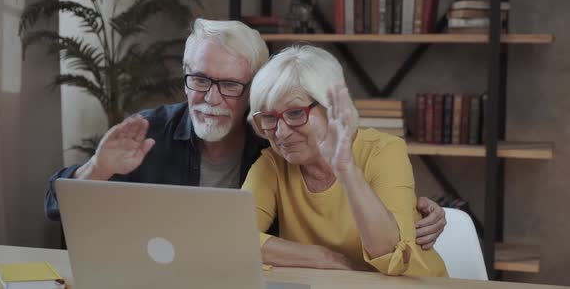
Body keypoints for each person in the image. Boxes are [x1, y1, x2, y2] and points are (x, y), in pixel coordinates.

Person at [44, 19, 446, 251]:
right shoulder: (149, 132)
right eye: (199, 79)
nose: (210, 98)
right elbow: (55, 205)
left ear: (255, 87)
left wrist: (413, 215)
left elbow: (352, 209)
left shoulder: (275, 142)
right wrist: (98, 169)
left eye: (230, 85)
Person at [242, 45, 448, 276]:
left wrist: (347, 170)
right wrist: (322, 257)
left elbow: (391, 253)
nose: (281, 132)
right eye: (269, 117)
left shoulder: (384, 150)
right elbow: (234, 240)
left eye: (295, 113)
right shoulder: (272, 165)